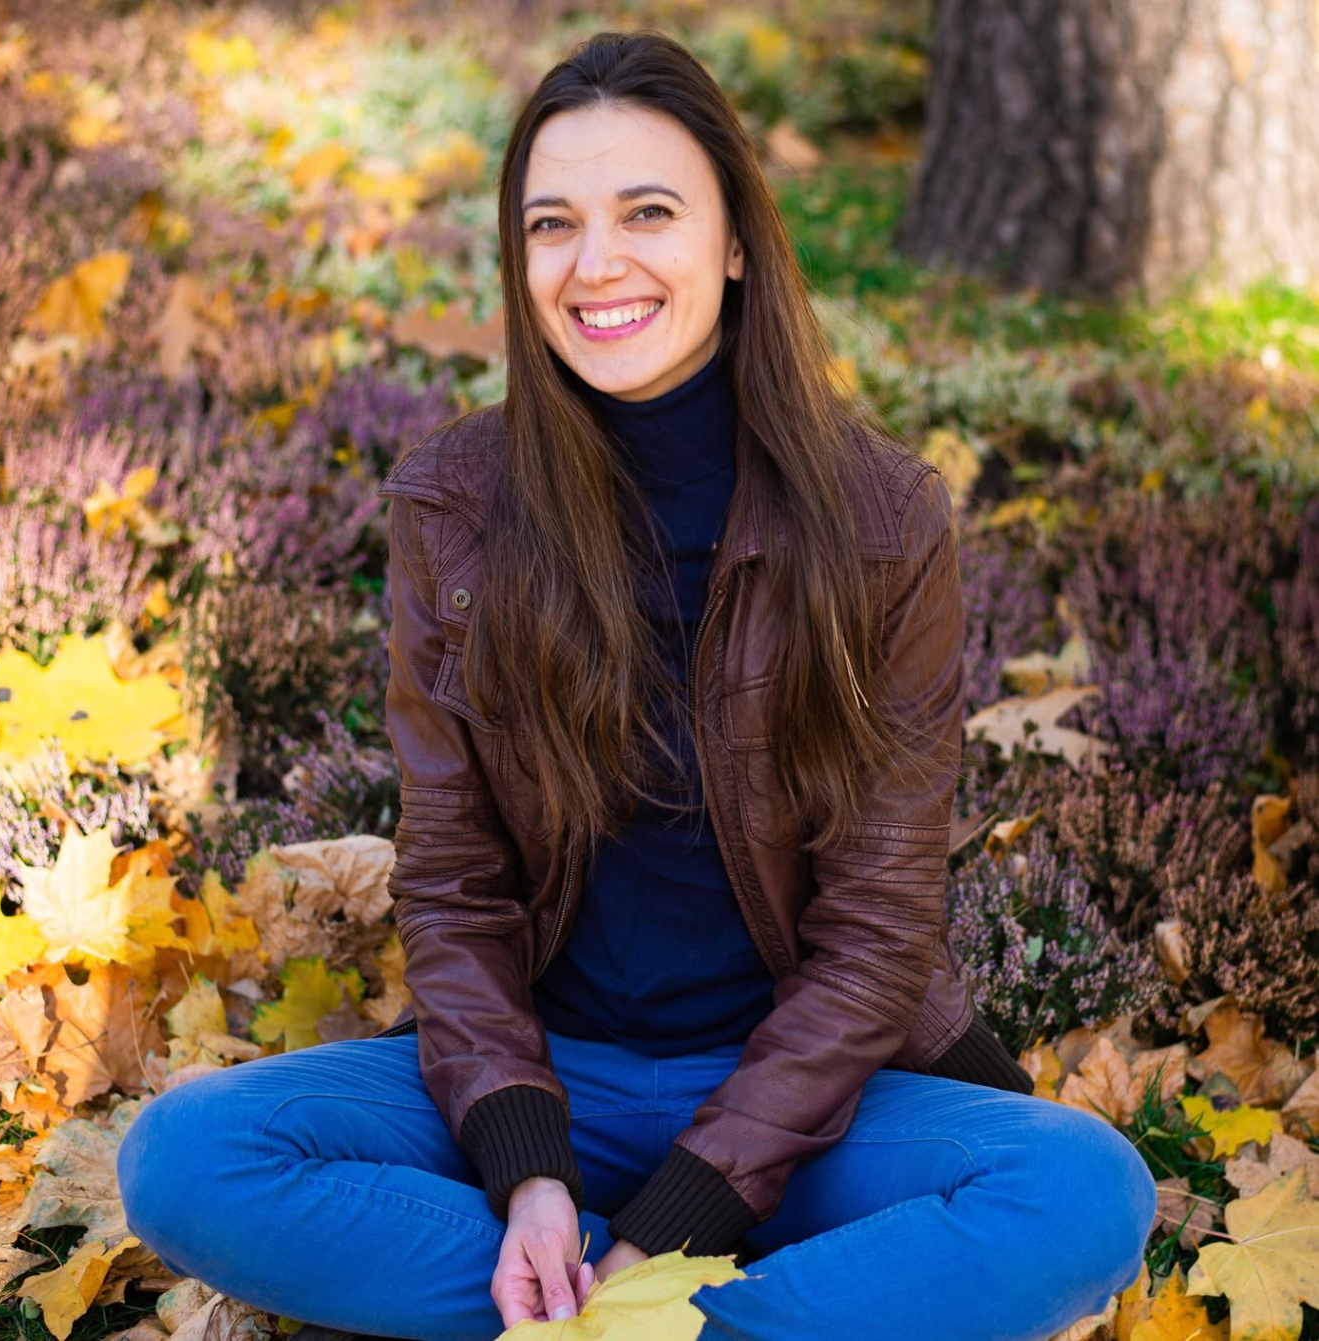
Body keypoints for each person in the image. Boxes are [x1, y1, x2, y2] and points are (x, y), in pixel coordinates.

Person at [117, 29, 1157, 1341]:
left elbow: (877, 936)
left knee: (1082, 1192)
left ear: (736, 242)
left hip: (802, 1097)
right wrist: (528, 1172)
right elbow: (454, 882)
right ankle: (636, 1299)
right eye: (553, 225)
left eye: (649, 213)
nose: (595, 263)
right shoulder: (458, 505)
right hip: (548, 1081)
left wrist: (675, 1221)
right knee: (189, 1158)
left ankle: (616, 1313)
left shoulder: (885, 521)